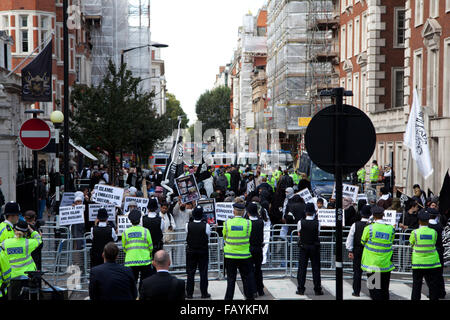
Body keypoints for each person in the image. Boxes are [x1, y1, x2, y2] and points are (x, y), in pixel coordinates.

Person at [361, 206, 395, 300]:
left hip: (372, 264)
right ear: (383, 215)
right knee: (384, 290)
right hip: (385, 263)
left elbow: (363, 241)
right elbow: (390, 242)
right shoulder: (391, 228)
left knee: (374, 290)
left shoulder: (369, 228)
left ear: (373, 216)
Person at [223, 201, 254, 300]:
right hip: (244, 255)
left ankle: (228, 300)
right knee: (246, 279)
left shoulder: (227, 223)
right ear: (243, 212)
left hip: (230, 255)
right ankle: (249, 299)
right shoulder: (248, 223)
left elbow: (224, 236)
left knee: (231, 280)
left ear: (233, 212)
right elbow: (249, 236)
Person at [409, 209, 442, 300]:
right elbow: (434, 242)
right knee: (432, 285)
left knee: (416, 285)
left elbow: (411, 243)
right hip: (432, 262)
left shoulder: (414, 232)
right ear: (428, 221)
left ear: (419, 221)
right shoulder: (433, 232)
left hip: (418, 263)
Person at [122, 209, 154, 289]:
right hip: (145, 261)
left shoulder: (125, 232)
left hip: (130, 261)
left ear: (130, 220)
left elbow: (124, 248)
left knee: (131, 284)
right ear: (140, 219)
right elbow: (151, 247)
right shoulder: (146, 231)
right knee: (144, 284)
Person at [296, 203, 323, 295]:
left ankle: (300, 289)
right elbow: (318, 233)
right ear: (314, 212)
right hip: (314, 246)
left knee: (302, 269)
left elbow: (299, 233)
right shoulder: (318, 222)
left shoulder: (300, 222)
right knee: (316, 269)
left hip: (304, 246)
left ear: (305, 212)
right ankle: (317, 289)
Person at [185, 206, 211, 299]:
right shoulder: (206, 225)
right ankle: (204, 293)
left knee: (190, 273)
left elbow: (188, 235)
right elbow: (208, 236)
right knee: (203, 272)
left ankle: (189, 293)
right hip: (202, 251)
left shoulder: (188, 225)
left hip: (191, 251)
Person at [346, 204, 371, 297]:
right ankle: (373, 292)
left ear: (361, 214)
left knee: (357, 271)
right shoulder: (372, 226)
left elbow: (350, 238)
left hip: (357, 249)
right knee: (372, 271)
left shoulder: (355, 225)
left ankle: (356, 291)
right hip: (370, 251)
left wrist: (350, 250)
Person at [425, 207, 446, 299]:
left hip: (431, 251)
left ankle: (434, 292)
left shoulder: (428, 227)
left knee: (430, 275)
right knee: (439, 273)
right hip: (440, 250)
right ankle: (441, 292)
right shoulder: (440, 226)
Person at [246, 202, 265, 297]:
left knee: (250, 270)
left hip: (249, 248)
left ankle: (253, 290)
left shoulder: (247, 222)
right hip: (258, 248)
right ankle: (260, 289)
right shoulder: (260, 222)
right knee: (258, 269)